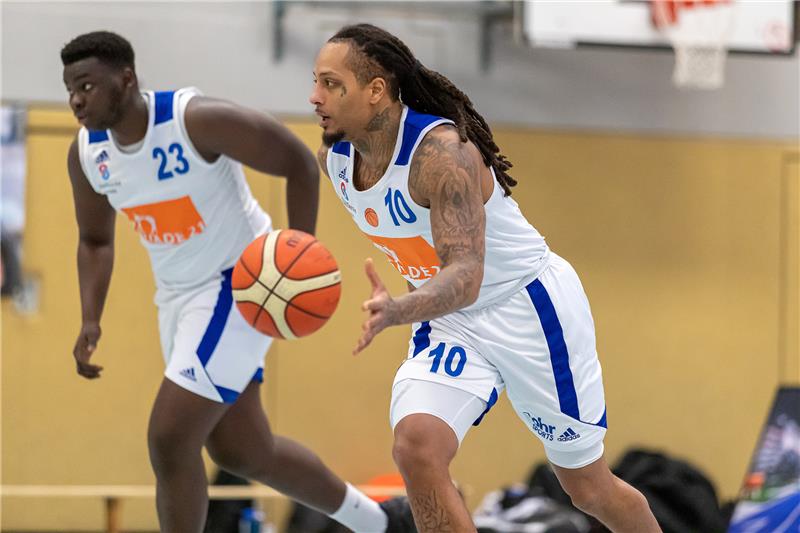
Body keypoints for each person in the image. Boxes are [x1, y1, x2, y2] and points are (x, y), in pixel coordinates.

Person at [310, 23, 662, 533]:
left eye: (330, 83)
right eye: (315, 82)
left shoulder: (442, 155)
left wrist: (397, 310)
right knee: (416, 447)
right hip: (450, 323)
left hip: (529, 308)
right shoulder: (337, 161)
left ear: (376, 91)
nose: (314, 96)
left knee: (587, 486)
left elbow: (466, 275)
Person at [62, 31, 412, 533]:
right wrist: (90, 318)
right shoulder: (87, 155)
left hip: (240, 283)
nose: (76, 99)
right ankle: (381, 523)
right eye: (70, 88)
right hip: (178, 299)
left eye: (87, 86)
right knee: (244, 451)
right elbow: (95, 240)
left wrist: (297, 258)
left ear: (126, 79)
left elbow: (296, 161)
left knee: (169, 437)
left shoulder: (193, 121)